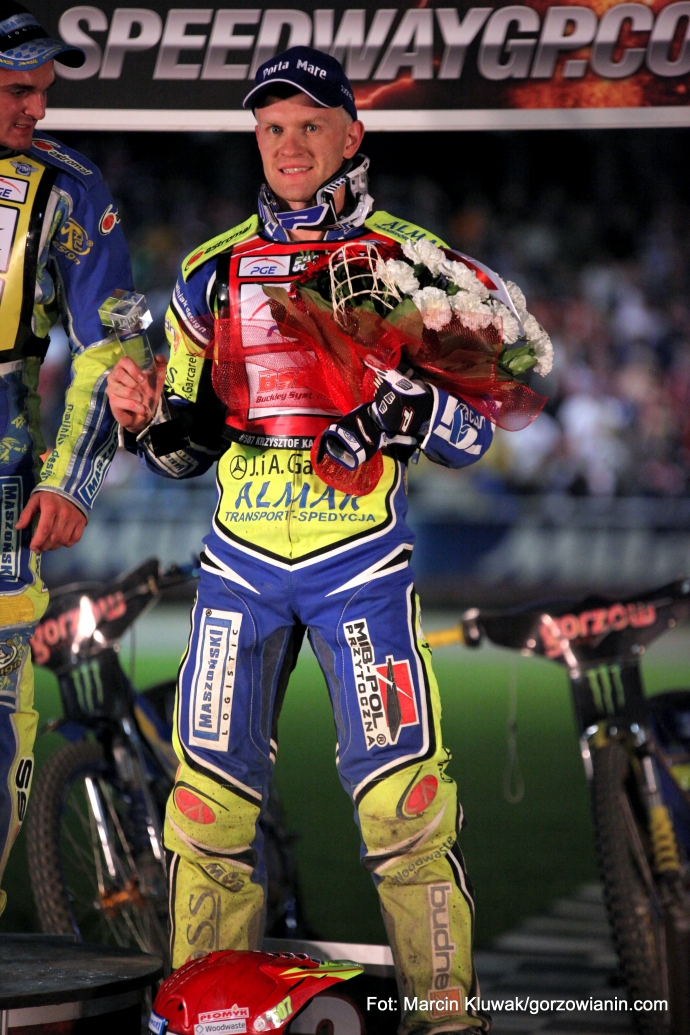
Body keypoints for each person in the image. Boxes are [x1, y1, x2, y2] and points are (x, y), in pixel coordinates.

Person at [108, 47, 493, 1035]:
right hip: (239, 568)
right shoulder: (209, 274)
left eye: (309, 124)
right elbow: (188, 452)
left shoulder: (414, 264)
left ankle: (447, 1020)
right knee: (204, 816)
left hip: (358, 569)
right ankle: (209, 1016)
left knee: (403, 815)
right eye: (272, 127)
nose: (288, 145)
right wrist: (149, 420)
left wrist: (407, 402)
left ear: (352, 135)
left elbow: (472, 432)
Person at [0, 2, 140, 914]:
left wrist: (70, 477)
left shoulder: (71, 185)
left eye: (44, 92)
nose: (37, 109)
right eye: (18, 90)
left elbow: (109, 344)